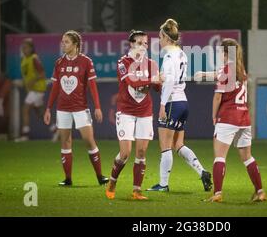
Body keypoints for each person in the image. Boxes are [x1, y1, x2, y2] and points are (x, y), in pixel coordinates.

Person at [147, 19, 212, 192]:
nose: (159, 41)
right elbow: (174, 77)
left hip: (172, 103)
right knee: (178, 145)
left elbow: (169, 81)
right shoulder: (181, 53)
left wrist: (162, 104)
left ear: (166, 38)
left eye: (160, 37)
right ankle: (202, 171)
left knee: (165, 145)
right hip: (183, 102)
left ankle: (163, 184)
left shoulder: (169, 56)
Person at [202, 38, 267, 203]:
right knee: (247, 157)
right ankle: (260, 191)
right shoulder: (241, 70)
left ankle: (217, 194)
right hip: (244, 118)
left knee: (220, 157)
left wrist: (213, 115)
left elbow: (218, 97)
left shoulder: (226, 70)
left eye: (220, 52)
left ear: (225, 53)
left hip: (228, 117)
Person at [43, 30, 109, 187]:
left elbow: (92, 86)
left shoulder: (86, 62)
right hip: (63, 109)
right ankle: (68, 179)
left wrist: (98, 107)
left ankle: (100, 176)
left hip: (81, 108)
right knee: (65, 142)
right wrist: (48, 108)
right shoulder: (59, 63)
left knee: (88, 140)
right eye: (62, 41)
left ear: (75, 45)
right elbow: (55, 87)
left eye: (66, 42)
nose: (63, 44)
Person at [105, 30, 161, 200]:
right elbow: (131, 82)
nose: (144, 46)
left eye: (146, 43)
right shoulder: (123, 62)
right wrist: (153, 80)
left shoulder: (151, 64)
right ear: (131, 44)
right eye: (140, 42)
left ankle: (137, 190)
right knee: (125, 153)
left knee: (142, 151)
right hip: (126, 111)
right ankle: (113, 180)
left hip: (145, 110)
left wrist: (161, 81)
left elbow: (157, 88)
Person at [17, 38, 58, 142]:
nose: (24, 50)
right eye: (23, 48)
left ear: (31, 49)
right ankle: (55, 130)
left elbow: (42, 74)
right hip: (32, 90)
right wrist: (24, 83)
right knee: (40, 112)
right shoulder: (24, 60)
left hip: (37, 89)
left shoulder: (34, 58)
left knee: (25, 109)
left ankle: (25, 135)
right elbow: (27, 76)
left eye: (26, 48)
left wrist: (32, 81)